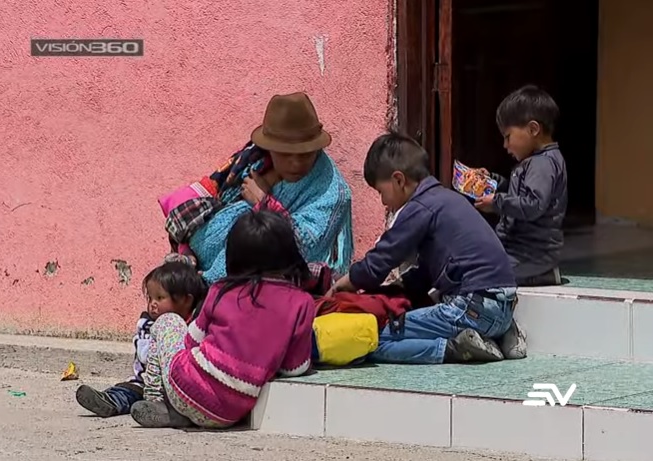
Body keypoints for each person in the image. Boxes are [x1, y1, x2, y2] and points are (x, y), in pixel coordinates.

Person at [327, 130, 519, 364]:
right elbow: (429, 270)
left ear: (399, 180)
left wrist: (347, 282)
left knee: (371, 338)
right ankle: (500, 335)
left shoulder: (419, 207)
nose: (383, 201)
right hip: (503, 307)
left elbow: (382, 260)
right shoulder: (447, 199)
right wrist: (401, 286)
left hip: (471, 306)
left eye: (381, 192)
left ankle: (452, 348)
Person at [129, 210, 316, 428]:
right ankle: (181, 416)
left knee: (168, 320)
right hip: (229, 414)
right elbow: (295, 368)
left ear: (233, 254)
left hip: (184, 387)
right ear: (288, 252)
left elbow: (191, 341)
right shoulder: (302, 302)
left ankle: (156, 399)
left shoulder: (221, 290)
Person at [157, 92, 353, 283]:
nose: (295, 163)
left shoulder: (332, 193)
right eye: (285, 154)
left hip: (273, 285)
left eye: (304, 154)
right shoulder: (253, 161)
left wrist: (264, 203)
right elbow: (217, 201)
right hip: (202, 267)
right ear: (270, 148)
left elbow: (305, 249)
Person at [75, 261, 207, 417]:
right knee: (127, 391)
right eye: (150, 298)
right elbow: (144, 354)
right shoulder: (148, 324)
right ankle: (108, 401)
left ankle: (159, 411)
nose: (152, 305)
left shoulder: (197, 325)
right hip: (144, 381)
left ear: (186, 300)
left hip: (177, 385)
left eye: (159, 297)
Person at [474, 85, 567, 287]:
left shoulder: (542, 164)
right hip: (517, 250)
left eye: (508, 137)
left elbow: (532, 205)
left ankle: (541, 276)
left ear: (533, 129)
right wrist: (494, 181)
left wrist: (497, 203)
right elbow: (518, 193)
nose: (505, 145)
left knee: (482, 273)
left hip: (531, 255)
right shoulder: (536, 161)